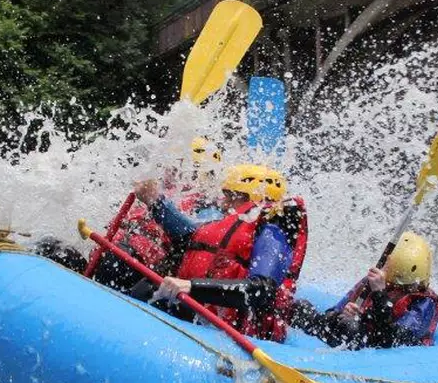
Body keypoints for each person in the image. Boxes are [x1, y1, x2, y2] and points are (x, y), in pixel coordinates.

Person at [134, 163, 308, 342]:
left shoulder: (273, 231)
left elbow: (262, 289)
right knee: (144, 288)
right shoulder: (237, 223)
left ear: (249, 197)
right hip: (201, 318)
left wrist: (192, 287)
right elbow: (192, 238)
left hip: (236, 335)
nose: (223, 203)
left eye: (229, 196)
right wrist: (155, 201)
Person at [91, 137, 225, 291]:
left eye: (176, 167)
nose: (168, 171)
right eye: (170, 166)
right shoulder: (164, 189)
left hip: (146, 270)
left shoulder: (209, 206)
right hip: (113, 250)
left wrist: (155, 202)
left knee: (115, 260)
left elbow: (196, 234)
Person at [290, 232, 438, 349]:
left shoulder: (424, 304)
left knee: (352, 329)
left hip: (384, 352)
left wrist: (380, 295)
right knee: (301, 308)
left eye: (406, 288)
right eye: (393, 285)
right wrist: (341, 314)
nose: (397, 292)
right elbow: (330, 314)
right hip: (362, 335)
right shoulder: (372, 282)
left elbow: (391, 340)